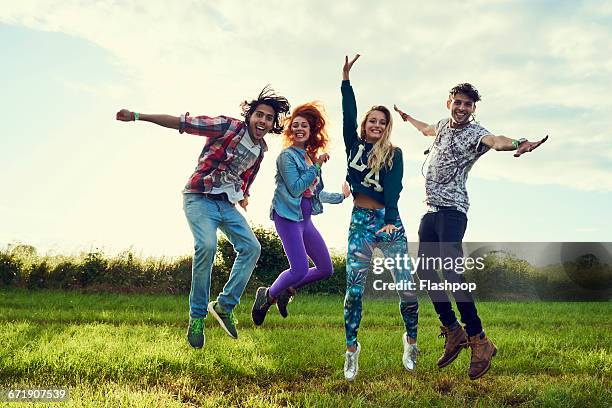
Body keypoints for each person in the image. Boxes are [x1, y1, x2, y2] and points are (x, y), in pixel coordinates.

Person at [115, 86, 290, 349]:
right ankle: (196, 318)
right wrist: (139, 116)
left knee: (252, 248)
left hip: (225, 205)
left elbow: (246, 177)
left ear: (272, 124)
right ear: (250, 115)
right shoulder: (227, 127)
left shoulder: (261, 150)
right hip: (199, 197)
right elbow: (183, 123)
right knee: (207, 246)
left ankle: (223, 305)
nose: (262, 121)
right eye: (259, 115)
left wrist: (243, 195)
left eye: (268, 118)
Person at [394, 84, 547, 379]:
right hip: (430, 212)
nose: (462, 108)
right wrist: (407, 118)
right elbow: (426, 128)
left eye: (468, 105)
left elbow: (496, 141)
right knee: (425, 272)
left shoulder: (476, 133)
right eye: (458, 102)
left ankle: (479, 339)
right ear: (448, 103)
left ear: (474, 109)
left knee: (451, 272)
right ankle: (453, 330)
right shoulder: (441, 126)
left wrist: (520, 143)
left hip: (453, 212)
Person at [341, 55, 419, 381]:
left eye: (382, 122)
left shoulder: (394, 154)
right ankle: (351, 351)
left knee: (407, 288)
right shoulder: (353, 146)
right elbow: (347, 112)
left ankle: (411, 342)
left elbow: (394, 187)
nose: (376, 124)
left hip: (390, 222)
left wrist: (388, 218)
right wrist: (345, 79)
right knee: (354, 290)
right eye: (372, 120)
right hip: (361, 220)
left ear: (387, 128)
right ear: (364, 125)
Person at [251, 102, 350, 325]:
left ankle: (288, 290)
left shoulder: (308, 157)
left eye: (303, 125)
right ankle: (266, 297)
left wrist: (341, 197)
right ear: (290, 130)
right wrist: (316, 166)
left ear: (311, 130)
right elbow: (296, 188)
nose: (298, 128)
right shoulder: (287, 157)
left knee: (325, 268)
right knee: (300, 268)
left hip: (305, 221)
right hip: (287, 218)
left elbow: (316, 194)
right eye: (295, 125)